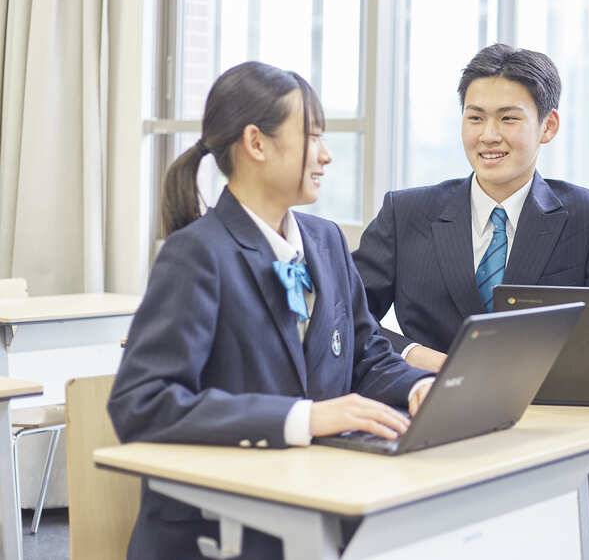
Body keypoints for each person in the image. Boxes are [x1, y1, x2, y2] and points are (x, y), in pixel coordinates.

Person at [108, 61, 434, 560]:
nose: (326, 156)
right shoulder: (197, 254)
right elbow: (142, 403)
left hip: (316, 504)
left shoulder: (325, 240)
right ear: (256, 143)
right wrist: (304, 417)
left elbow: (366, 354)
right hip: (218, 530)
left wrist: (418, 387)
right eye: (312, 137)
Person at [353, 43, 589, 371]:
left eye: (508, 119)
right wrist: (415, 355)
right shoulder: (406, 212)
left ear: (549, 126)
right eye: (475, 118)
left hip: (550, 408)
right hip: (426, 399)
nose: (488, 135)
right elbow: (345, 313)